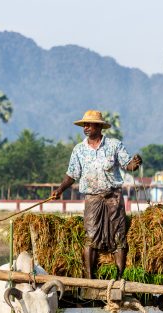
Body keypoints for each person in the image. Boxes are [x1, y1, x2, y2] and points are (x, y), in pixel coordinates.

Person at [54, 110, 142, 279]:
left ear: (99, 127)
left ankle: (119, 277)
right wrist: (60, 190)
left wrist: (135, 163)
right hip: (92, 198)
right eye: (84, 125)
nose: (85, 128)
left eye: (89, 124)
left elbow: (127, 165)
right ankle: (89, 278)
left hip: (113, 197)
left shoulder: (114, 145)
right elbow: (72, 175)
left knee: (119, 237)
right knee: (90, 237)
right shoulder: (79, 150)